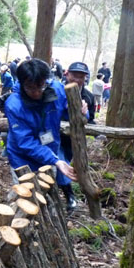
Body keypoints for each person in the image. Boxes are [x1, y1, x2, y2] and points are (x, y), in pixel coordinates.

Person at [4, 59, 78, 211]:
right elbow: (25, 142)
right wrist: (55, 161)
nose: (37, 92)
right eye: (31, 88)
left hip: (50, 152)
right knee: (26, 199)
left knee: (47, 197)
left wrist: (81, 110)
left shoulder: (57, 90)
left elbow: (69, 111)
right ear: (22, 83)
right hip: (22, 159)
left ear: (46, 81)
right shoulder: (14, 105)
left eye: (40, 86)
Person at [58, 62, 94, 208]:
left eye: (81, 77)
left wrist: (85, 114)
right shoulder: (56, 90)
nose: (77, 80)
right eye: (74, 75)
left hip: (73, 140)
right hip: (54, 137)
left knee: (66, 161)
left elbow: (90, 120)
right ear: (67, 74)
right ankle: (70, 197)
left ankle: (67, 195)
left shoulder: (88, 96)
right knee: (60, 163)